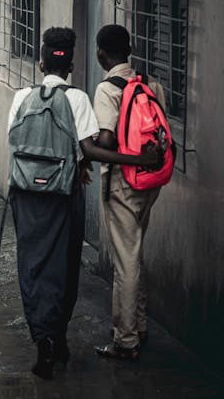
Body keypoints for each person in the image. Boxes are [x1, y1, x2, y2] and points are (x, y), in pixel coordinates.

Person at [7, 27, 159, 379]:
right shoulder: (78, 99)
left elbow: (13, 143)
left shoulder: (20, 97)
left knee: (31, 266)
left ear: (41, 61)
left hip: (26, 196)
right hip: (63, 195)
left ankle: (42, 340)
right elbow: (89, 148)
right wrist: (82, 165)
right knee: (63, 266)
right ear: (71, 64)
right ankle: (58, 337)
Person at [93, 24, 166, 361]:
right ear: (131, 48)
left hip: (123, 182)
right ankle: (140, 326)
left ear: (101, 54)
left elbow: (106, 140)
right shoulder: (152, 85)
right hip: (150, 183)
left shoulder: (108, 89)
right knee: (136, 252)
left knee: (126, 261)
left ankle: (125, 341)